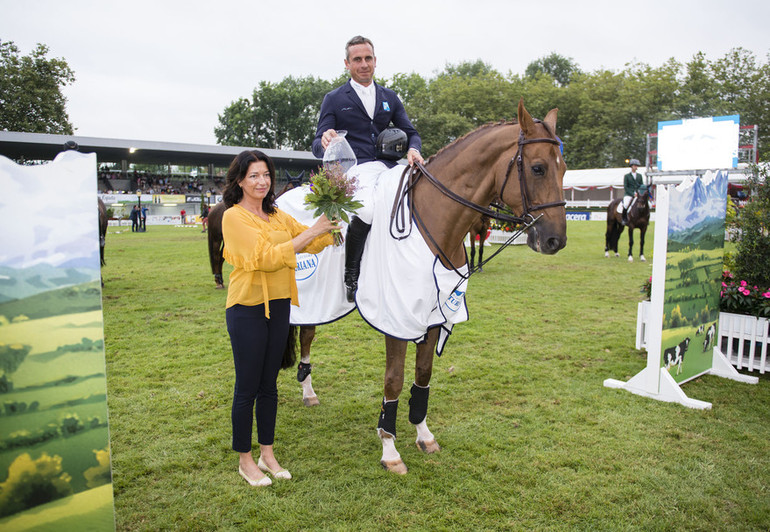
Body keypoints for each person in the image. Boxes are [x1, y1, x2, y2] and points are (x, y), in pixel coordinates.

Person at [221, 149, 338, 487]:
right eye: (254, 175)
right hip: (247, 309)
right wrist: (310, 233)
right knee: (247, 387)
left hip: (281, 306)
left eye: (266, 175)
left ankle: (267, 454)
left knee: (269, 385)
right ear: (240, 180)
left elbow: (311, 240)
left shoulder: (276, 214)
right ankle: (245, 460)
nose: (262, 181)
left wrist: (333, 225)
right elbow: (267, 258)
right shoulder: (234, 217)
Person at [312, 35, 424, 302]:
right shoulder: (334, 98)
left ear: (375, 60)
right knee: (368, 209)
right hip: (356, 170)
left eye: (368, 58)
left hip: (388, 168)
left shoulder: (390, 96)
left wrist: (414, 148)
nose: (364, 64)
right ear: (347, 64)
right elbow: (317, 145)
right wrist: (325, 141)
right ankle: (351, 274)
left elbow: (411, 133)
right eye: (357, 59)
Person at [618, 158, 644, 225]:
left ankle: (644, 218)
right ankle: (624, 219)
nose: (636, 167)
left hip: (638, 194)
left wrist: (640, 193)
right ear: (631, 166)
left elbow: (641, 185)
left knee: (647, 204)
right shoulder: (627, 176)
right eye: (635, 165)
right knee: (626, 204)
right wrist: (633, 194)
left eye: (637, 166)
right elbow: (626, 187)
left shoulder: (639, 176)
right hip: (629, 194)